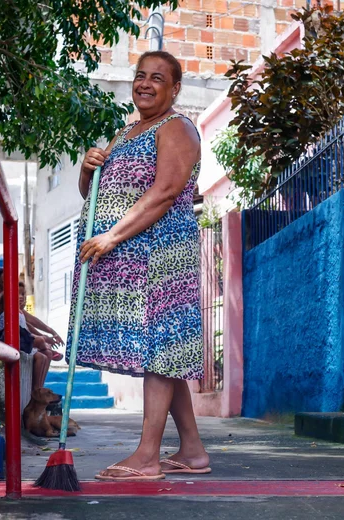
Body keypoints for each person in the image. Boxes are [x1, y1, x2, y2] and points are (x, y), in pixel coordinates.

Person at [68, 51, 209, 481]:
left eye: (157, 78)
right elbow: (94, 195)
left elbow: (165, 191)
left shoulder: (178, 127)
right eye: (140, 76)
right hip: (133, 258)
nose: (145, 84)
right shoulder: (126, 131)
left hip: (160, 258)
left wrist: (112, 236)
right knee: (161, 352)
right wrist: (88, 170)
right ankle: (193, 451)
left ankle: (148, 457)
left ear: (175, 88)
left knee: (159, 348)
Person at [0, 280, 61, 390]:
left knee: (45, 353)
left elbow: (30, 326)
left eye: (23, 294)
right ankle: (36, 389)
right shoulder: (9, 312)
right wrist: (43, 338)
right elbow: (21, 332)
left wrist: (50, 333)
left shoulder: (20, 312)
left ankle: (39, 388)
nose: (21, 297)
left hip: (21, 341)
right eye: (18, 293)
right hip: (9, 343)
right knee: (41, 352)